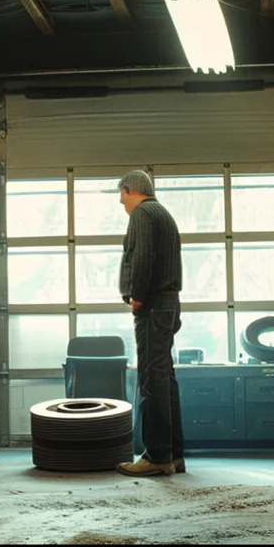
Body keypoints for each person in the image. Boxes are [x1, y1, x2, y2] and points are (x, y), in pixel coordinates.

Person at [113, 169, 187, 477]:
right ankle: (174, 454)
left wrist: (138, 296)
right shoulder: (163, 213)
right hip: (167, 302)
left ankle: (156, 455)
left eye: (122, 197)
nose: (122, 204)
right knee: (163, 375)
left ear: (131, 190)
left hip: (153, 304)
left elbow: (142, 257)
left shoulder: (143, 213)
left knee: (151, 376)